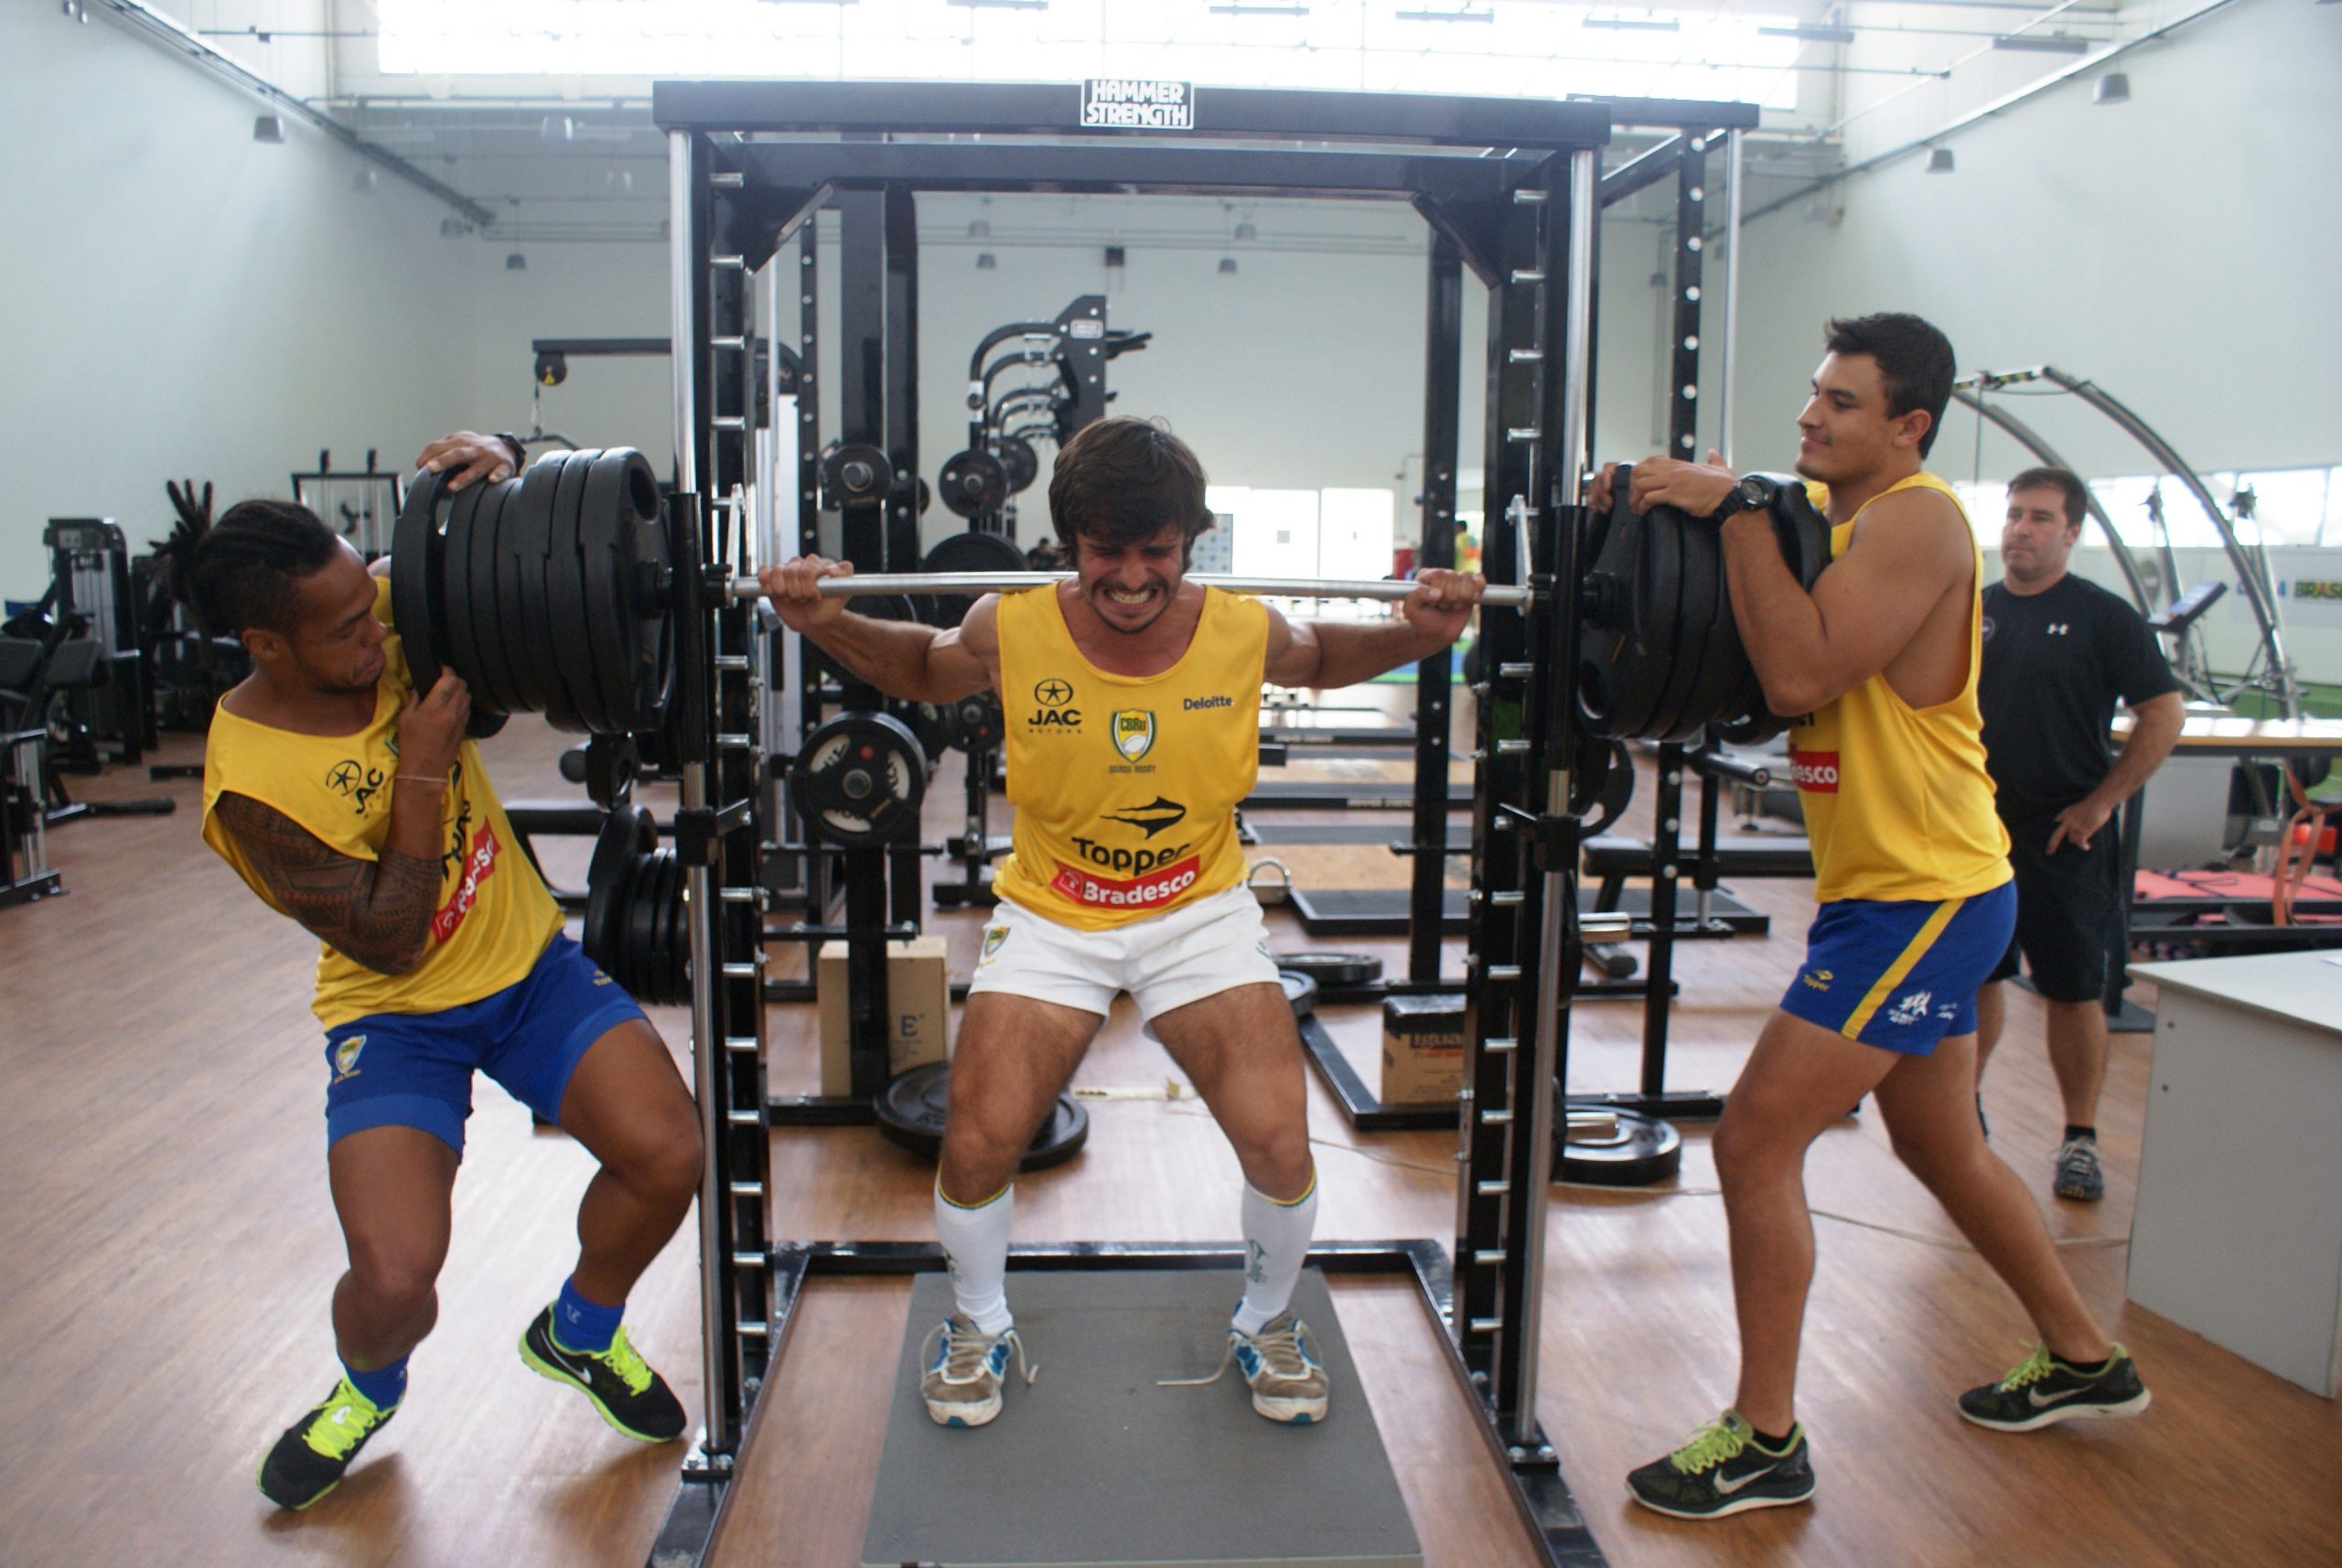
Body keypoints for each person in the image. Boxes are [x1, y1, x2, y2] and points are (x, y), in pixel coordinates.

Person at [761, 415, 1482, 1431]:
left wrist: (1423, 631)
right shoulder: (1008, 626)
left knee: (1279, 1141)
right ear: (1071, 540)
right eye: (1108, 549)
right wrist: (820, 619)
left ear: (1188, 541)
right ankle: (977, 1323)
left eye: (1156, 550)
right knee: (976, 1144)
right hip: (1055, 913)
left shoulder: (1239, 627)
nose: (1133, 575)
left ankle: (1267, 1322)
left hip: (1199, 912)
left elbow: (1318, 656)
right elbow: (922, 668)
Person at [1594, 316, 2150, 1521]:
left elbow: (1797, 675)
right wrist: (1636, 508)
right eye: (1812, 397)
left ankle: (1766, 1435)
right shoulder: (1829, 513)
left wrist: (1734, 506)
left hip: (1920, 891)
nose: (1810, 419)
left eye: (1841, 404)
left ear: (1907, 426)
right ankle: (2082, 1356)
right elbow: (1742, 609)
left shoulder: (1916, 517)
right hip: (1909, 883)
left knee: (1752, 1141)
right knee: (1941, 1144)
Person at [186, 432, 704, 1511]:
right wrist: (420, 768)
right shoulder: (248, 790)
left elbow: (547, 561)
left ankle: (582, 1329)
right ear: (266, 646)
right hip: (397, 1011)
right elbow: (385, 934)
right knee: (394, 1277)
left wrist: (508, 456)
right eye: (341, 628)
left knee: (668, 1154)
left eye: (363, 596)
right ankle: (365, 1390)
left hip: (528, 973)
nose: (372, 629)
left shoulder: (377, 612)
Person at [1975, 467, 2183, 1200]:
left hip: (2065, 836)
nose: (2020, 530)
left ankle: (2080, 1140)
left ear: (2071, 532)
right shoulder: (1974, 609)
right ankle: (1964, 1122)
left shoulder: (2103, 617)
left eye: (2038, 518)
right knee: (1979, 978)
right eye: (2013, 516)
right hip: (1977, 837)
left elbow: (2163, 712)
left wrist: (2102, 804)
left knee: (2072, 992)